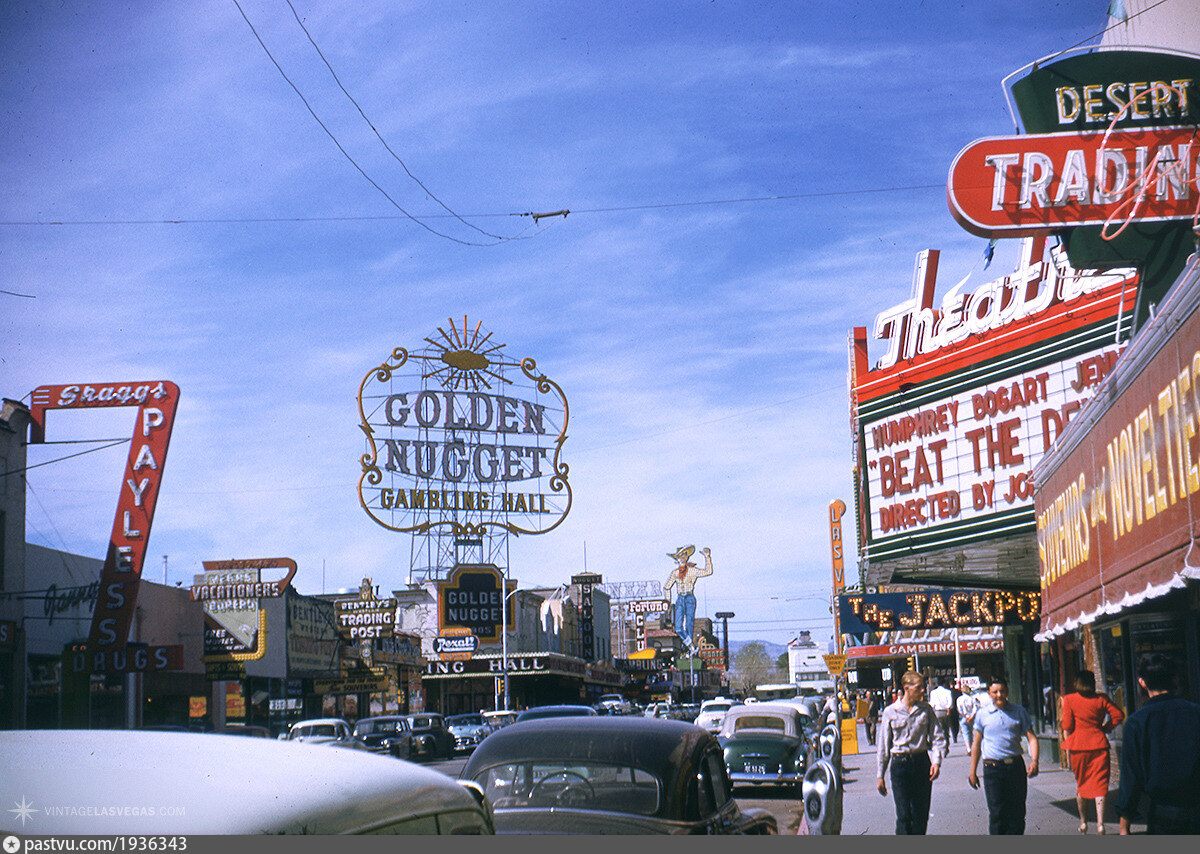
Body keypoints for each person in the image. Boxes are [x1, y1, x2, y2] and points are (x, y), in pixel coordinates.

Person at [1117, 653, 1200, 835]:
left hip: (1162, 813)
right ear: (1174, 679)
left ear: (1142, 682)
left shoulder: (1137, 722)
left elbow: (1130, 778)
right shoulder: (1195, 713)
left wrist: (1125, 823)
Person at [876, 671, 947, 835]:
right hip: (900, 765)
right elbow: (883, 746)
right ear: (906, 688)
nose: (923, 690)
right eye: (919, 687)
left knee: (921, 815)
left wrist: (936, 762)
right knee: (904, 814)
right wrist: (880, 775)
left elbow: (938, 738)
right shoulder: (890, 712)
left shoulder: (926, 710)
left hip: (922, 763)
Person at [968, 675, 1039, 834]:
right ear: (989, 693)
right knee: (997, 813)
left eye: (1002, 691)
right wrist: (972, 772)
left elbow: (1032, 738)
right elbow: (977, 745)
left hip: (1015, 768)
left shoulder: (1018, 711)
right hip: (993, 769)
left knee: (1017, 813)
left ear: (1007, 691)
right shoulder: (982, 714)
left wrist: (1034, 761)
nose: (999, 695)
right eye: (995, 692)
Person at [1061, 669, 1124, 834]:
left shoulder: (1069, 699)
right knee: (1100, 785)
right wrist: (1105, 728)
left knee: (1082, 785)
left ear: (1077, 683)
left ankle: (1083, 822)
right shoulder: (1102, 699)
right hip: (1099, 743)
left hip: (1078, 746)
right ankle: (1101, 824)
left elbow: (1067, 726)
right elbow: (1118, 715)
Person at [662, 545, 713, 649]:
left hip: (689, 597)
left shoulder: (692, 570)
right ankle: (689, 644)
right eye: (680, 555)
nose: (682, 557)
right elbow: (667, 587)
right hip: (680, 598)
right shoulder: (675, 573)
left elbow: (708, 571)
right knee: (678, 627)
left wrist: (707, 557)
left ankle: (690, 650)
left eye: (684, 554)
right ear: (677, 558)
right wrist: (668, 603)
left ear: (687, 556)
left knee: (690, 623)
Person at [928, 678, 953, 751]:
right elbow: (950, 702)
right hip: (945, 712)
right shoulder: (948, 692)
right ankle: (947, 745)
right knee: (946, 729)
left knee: (939, 729)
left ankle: (941, 745)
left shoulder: (933, 692)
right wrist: (948, 709)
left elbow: (932, 703)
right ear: (944, 684)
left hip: (937, 712)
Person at [956, 682, 980, 746]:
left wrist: (965, 716)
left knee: (965, 732)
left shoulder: (959, 699)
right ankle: (971, 745)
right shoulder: (972, 698)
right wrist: (971, 716)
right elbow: (975, 708)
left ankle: (968, 748)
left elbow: (959, 709)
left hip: (963, 718)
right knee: (971, 732)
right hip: (972, 717)